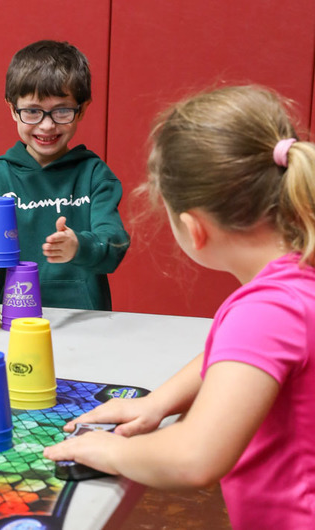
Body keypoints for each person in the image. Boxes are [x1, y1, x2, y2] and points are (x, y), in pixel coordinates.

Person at [43, 85, 315, 527]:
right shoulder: (295, 279)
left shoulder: (265, 310)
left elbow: (194, 458)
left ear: (193, 228)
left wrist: (111, 451)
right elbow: (238, 354)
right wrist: (160, 402)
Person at [0, 40, 129, 310]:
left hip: (85, 321)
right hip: (11, 320)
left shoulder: (95, 175)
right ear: (12, 109)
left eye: (62, 111)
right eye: (32, 111)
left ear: (82, 109)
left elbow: (115, 246)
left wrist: (78, 245)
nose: (47, 125)